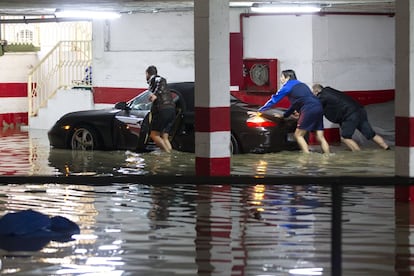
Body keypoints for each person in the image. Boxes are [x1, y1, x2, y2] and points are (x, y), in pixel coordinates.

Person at [258, 69, 330, 154]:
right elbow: (295, 104)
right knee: (320, 137)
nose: (281, 79)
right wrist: (285, 115)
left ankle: (306, 157)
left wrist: (260, 111)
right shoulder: (302, 85)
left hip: (308, 109)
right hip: (318, 107)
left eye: (281, 77)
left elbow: (274, 99)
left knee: (298, 135)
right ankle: (327, 156)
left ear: (287, 77)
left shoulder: (287, 87)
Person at [312, 84, 390, 151]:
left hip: (350, 115)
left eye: (313, 93)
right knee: (372, 135)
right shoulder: (329, 90)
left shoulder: (322, 96)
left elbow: (314, 107)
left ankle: (359, 155)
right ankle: (387, 148)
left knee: (345, 137)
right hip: (360, 110)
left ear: (316, 92)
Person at [145, 65, 176, 153]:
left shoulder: (154, 79)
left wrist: (154, 94)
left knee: (154, 135)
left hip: (162, 110)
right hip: (171, 109)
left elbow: (159, 83)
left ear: (147, 73)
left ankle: (167, 154)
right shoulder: (162, 83)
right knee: (165, 137)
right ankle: (170, 156)